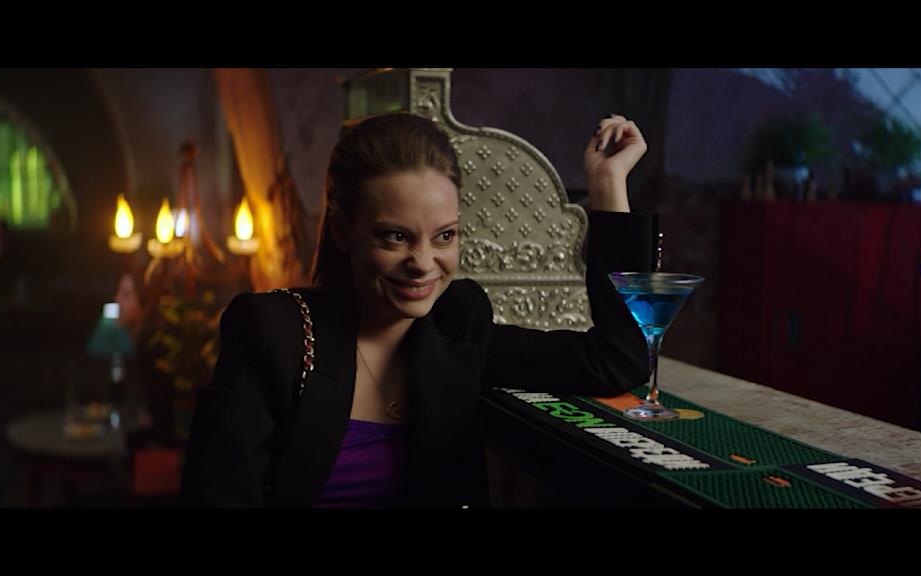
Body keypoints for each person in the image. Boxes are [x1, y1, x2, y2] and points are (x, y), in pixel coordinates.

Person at [179, 112, 657, 508]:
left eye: (444, 236)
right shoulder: (273, 331)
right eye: (395, 237)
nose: (423, 263)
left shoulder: (456, 324)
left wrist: (607, 184)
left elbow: (616, 360)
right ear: (343, 231)